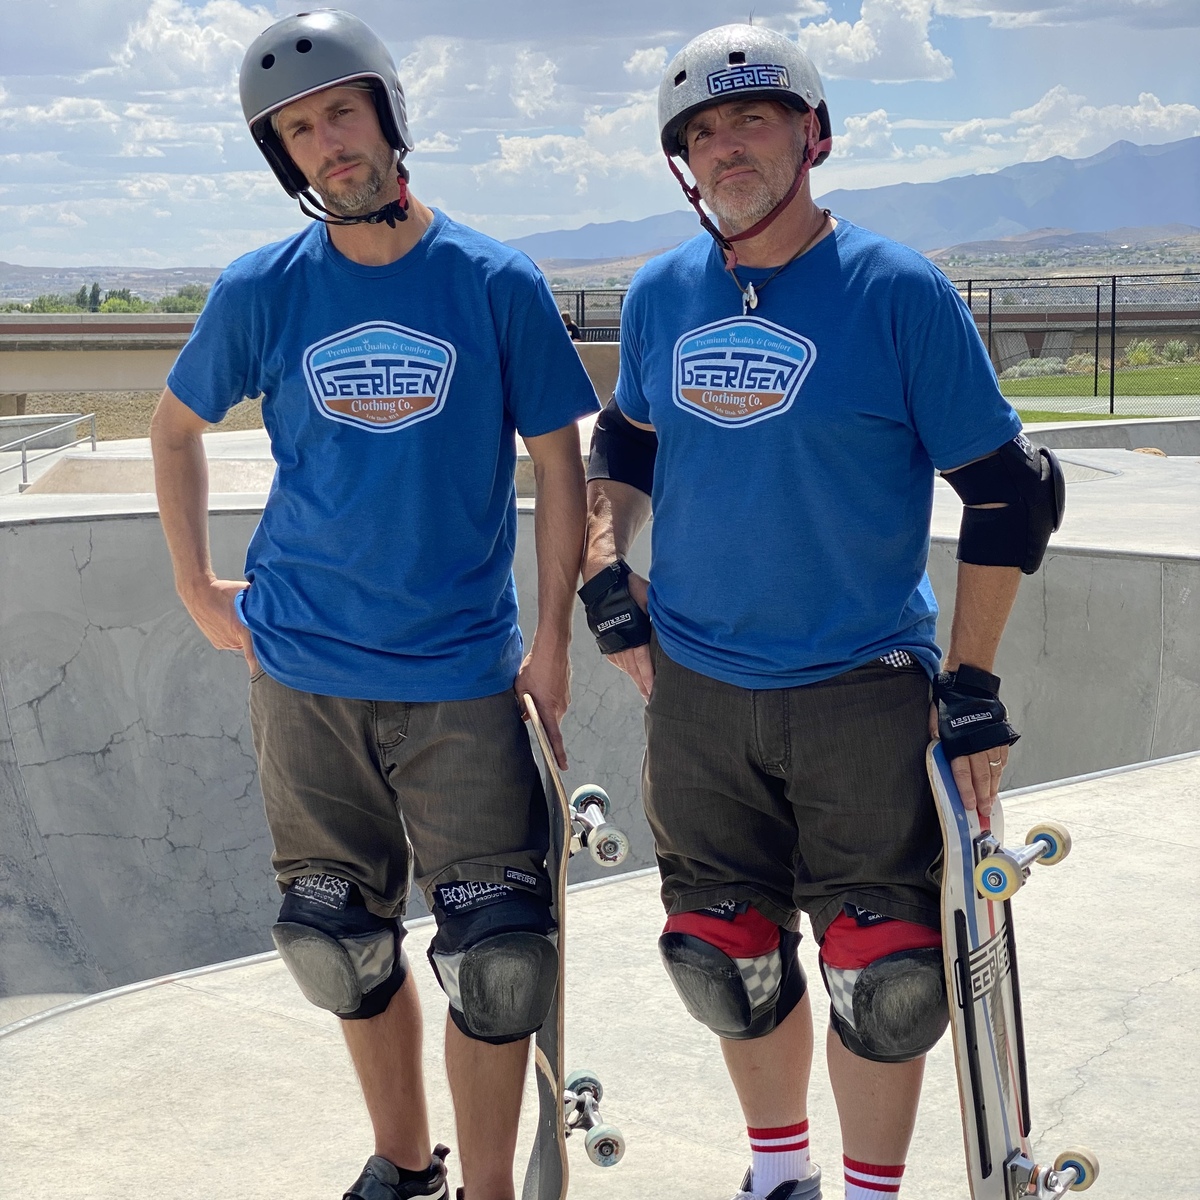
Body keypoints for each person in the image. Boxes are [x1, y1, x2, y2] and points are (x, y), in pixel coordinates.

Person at [577, 24, 1063, 1200]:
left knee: (885, 979)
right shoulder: (662, 293)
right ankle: (777, 1175)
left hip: (862, 690)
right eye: (701, 132)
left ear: (814, 135)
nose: (726, 147)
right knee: (722, 956)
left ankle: (869, 1191)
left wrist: (972, 688)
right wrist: (604, 570)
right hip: (699, 695)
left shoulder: (897, 292)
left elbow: (1010, 493)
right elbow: (627, 439)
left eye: (751, 118)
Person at [149, 11, 598, 1200]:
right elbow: (174, 427)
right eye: (300, 130)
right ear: (284, 155)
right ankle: (406, 1168)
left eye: (342, 113)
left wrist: (552, 644)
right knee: (337, 939)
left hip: (461, 679)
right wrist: (195, 584)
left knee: (499, 959)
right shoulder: (263, 289)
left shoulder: (494, 281)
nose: (328, 143)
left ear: (388, 116)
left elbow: (559, 467)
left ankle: (490, 1189)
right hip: (304, 674)